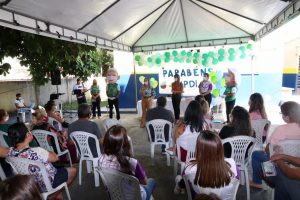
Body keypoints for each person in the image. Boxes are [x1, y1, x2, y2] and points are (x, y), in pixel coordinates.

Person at [7, 123, 76, 200]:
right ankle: (53, 196)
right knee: (73, 170)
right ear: (28, 134)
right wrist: (51, 152)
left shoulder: (10, 153)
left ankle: (55, 194)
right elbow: (56, 158)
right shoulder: (38, 151)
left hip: (27, 184)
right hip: (46, 183)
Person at [174, 130, 237, 199]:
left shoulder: (190, 167)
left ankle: (179, 186)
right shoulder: (231, 164)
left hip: (201, 197)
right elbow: (236, 178)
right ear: (220, 147)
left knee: (182, 178)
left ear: (198, 149)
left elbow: (186, 179)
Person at [98, 125, 156, 200]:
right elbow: (144, 182)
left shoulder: (100, 159)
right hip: (136, 197)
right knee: (151, 181)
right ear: (126, 144)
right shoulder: (133, 163)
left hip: (115, 196)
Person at [251, 101, 300, 189]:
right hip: (296, 162)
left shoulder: (281, 129)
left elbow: (268, 148)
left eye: (282, 114)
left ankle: (259, 181)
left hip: (278, 162)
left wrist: (266, 150)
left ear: (287, 117)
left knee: (256, 155)